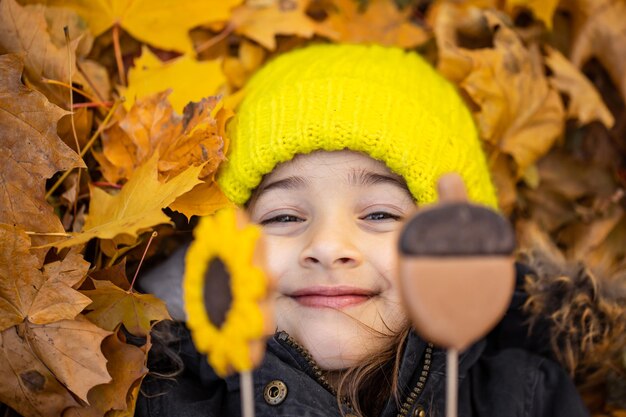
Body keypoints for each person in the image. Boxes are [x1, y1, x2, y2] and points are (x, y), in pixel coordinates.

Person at [136, 43, 590, 417]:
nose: (329, 247)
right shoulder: (164, 396)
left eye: (379, 214)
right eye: (284, 216)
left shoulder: (522, 399)